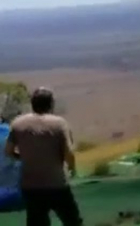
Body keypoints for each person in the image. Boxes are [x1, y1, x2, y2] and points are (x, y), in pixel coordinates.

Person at [4, 87, 83, 226]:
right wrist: (72, 168)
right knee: (72, 221)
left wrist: (23, 158)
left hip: (31, 185)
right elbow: (68, 153)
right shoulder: (59, 124)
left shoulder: (18, 123)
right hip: (56, 183)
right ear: (51, 104)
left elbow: (8, 151)